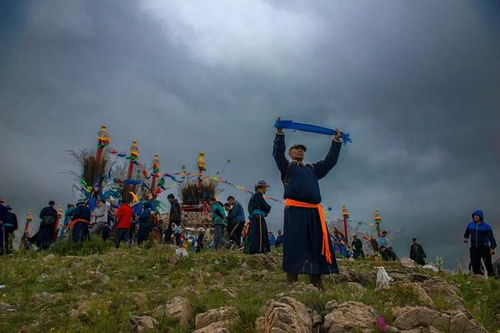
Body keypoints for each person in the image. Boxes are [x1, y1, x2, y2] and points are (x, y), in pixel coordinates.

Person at [273, 124, 343, 288]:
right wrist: (280, 134)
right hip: (295, 211)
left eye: (302, 150)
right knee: (294, 242)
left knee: (315, 243)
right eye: (296, 149)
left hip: (314, 212)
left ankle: (317, 280)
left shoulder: (312, 169)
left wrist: (336, 142)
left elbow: (329, 162)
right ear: (290, 153)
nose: (299, 151)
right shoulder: (287, 167)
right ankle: (292, 279)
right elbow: (277, 154)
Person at [464, 210, 497, 276]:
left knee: (487, 263)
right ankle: (479, 277)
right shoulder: (470, 225)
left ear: (481, 217)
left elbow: (491, 237)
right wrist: (466, 238)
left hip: (484, 248)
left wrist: (492, 248)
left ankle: (492, 277)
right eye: (474, 216)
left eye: (477, 216)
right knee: (474, 263)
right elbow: (467, 232)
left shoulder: (486, 226)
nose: (475, 217)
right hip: (474, 247)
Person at [247, 181, 272, 254]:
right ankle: (258, 250)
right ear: (262, 187)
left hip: (256, 217)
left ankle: (257, 249)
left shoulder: (255, 196)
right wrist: (268, 207)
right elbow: (264, 205)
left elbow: (250, 208)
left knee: (256, 233)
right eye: (265, 188)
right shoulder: (258, 195)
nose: (265, 190)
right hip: (258, 218)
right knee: (259, 234)